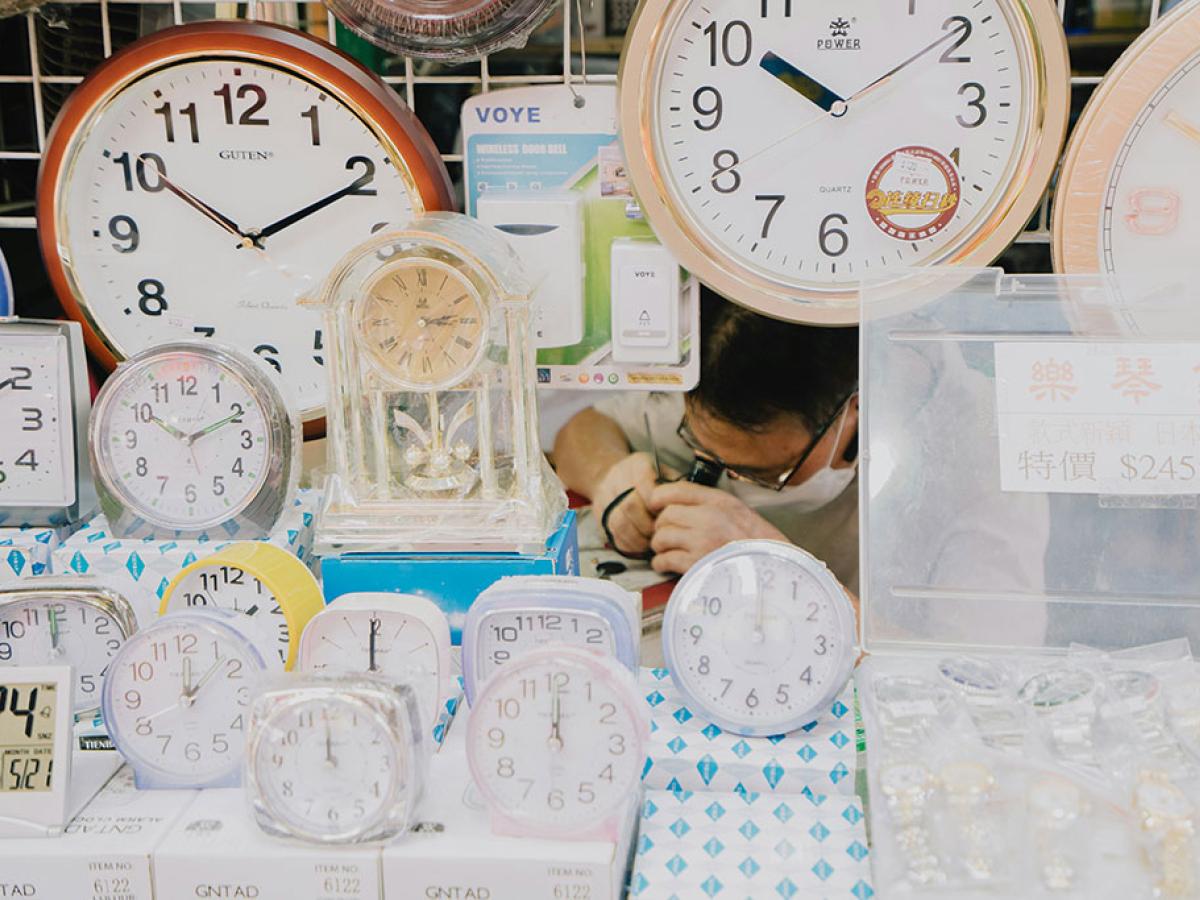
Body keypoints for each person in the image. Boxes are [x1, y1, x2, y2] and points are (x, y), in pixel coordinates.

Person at [554, 288, 861, 592]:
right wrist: (608, 476)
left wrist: (769, 564)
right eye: (700, 447)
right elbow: (581, 429)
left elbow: (900, 640)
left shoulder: (902, 490)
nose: (728, 478)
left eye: (763, 474)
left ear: (855, 410)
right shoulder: (717, 393)